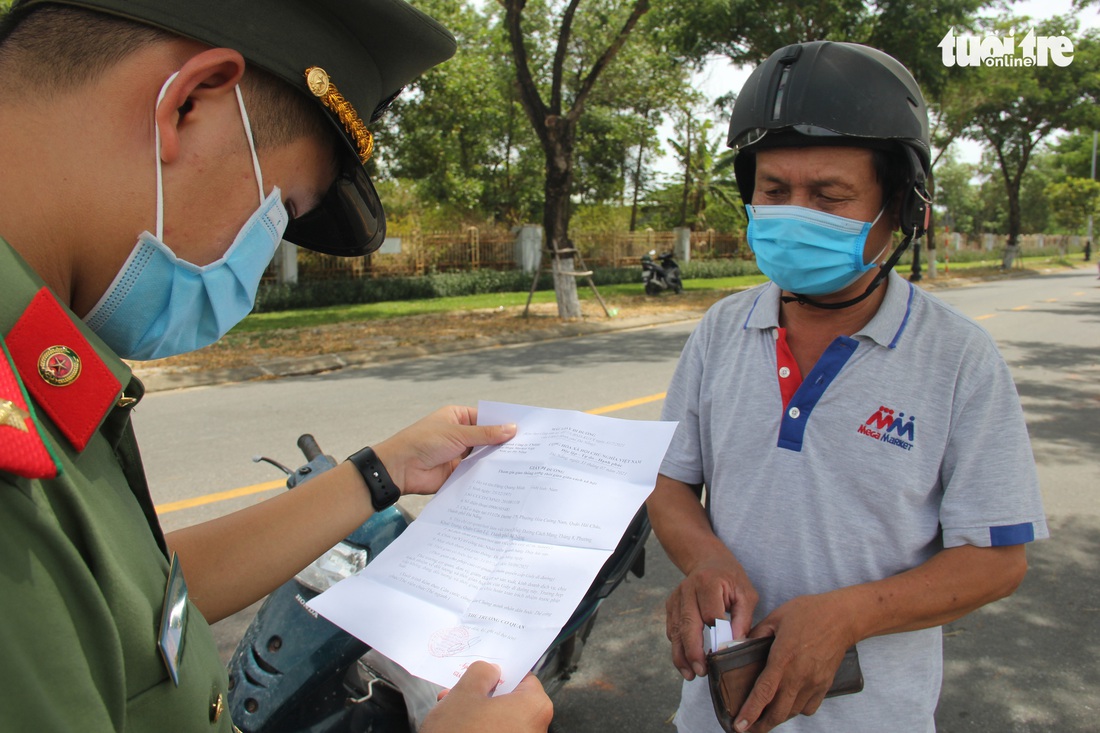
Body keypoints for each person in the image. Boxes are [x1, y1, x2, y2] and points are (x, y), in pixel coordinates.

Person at [0, 1, 552, 730]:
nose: (256, 270)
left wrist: (380, 471)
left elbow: (124, 601)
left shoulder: (36, 357)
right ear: (188, 103)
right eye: (280, 211)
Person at [648, 41, 1048, 733]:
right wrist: (707, 561)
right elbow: (670, 482)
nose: (792, 212)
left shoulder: (958, 357)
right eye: (773, 192)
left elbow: (996, 560)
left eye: (828, 196)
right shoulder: (720, 330)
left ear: (899, 207)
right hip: (717, 713)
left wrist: (847, 613)